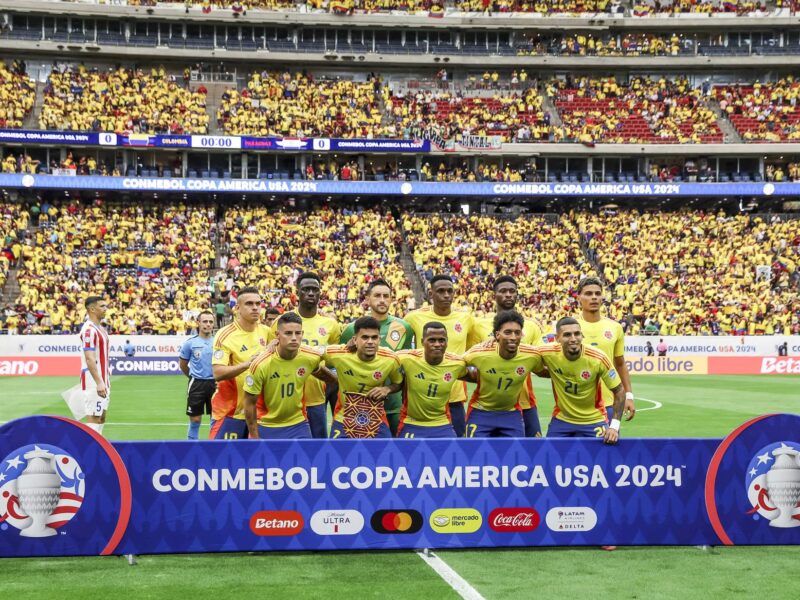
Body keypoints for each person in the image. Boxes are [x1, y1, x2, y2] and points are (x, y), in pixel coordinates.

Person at [469, 275, 545, 437]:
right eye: (503, 291)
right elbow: (469, 363)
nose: (508, 295)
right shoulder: (479, 325)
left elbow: (541, 359)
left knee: (532, 448)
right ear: (494, 295)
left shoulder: (531, 326)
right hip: (489, 405)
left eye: (512, 291)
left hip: (525, 402)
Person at [243, 313, 336, 439]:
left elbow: (318, 369)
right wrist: (254, 436)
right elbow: (249, 403)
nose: (294, 338)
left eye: (298, 333)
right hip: (266, 425)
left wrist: (339, 381)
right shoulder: (261, 364)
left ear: (302, 334)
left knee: (308, 452)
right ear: (277, 335)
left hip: (298, 424)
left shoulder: (311, 356)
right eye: (288, 333)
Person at [271, 272, 341, 438]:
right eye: (306, 289)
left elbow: (332, 360)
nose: (311, 293)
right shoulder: (281, 322)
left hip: (316, 398)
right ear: (297, 292)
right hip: (287, 398)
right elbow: (271, 356)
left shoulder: (330, 325)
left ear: (320, 293)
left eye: (315, 289)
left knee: (318, 446)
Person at [340, 279, 413, 436]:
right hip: (360, 407)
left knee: (396, 448)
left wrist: (389, 389)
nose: (382, 300)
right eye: (377, 295)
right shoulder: (351, 329)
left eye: (386, 296)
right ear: (367, 299)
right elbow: (339, 367)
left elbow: (407, 367)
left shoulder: (404, 328)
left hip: (394, 405)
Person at [404, 274, 474, 437]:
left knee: (456, 447)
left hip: (454, 396)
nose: (446, 295)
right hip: (422, 398)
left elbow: (471, 351)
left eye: (450, 291)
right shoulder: (413, 318)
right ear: (431, 294)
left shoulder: (466, 319)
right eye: (441, 291)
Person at [537, 317, 625, 444]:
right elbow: (527, 357)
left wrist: (614, 426)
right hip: (562, 419)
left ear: (582, 336)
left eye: (577, 334)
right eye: (567, 335)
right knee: (550, 454)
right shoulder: (547, 353)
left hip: (594, 419)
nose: (573, 339)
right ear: (557, 338)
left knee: (603, 455)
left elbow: (619, 390)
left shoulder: (598, 358)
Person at [209, 286, 274, 440]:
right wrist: (247, 364)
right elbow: (217, 373)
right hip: (230, 413)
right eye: (249, 304)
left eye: (258, 303)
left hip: (259, 413)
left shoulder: (267, 332)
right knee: (221, 455)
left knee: (258, 455)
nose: (255, 308)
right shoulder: (225, 334)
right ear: (237, 308)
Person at [324, 316, 403, 439]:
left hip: (376, 418)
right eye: (365, 337)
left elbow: (398, 383)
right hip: (344, 418)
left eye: (374, 337)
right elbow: (312, 356)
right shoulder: (338, 354)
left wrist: (387, 389)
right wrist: (330, 378)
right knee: (337, 451)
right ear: (355, 340)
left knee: (387, 451)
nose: (370, 341)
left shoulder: (391, 359)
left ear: (379, 340)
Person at [463, 311, 539, 438]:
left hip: (511, 413)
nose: (513, 337)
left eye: (517, 333)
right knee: (474, 449)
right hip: (480, 411)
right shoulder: (479, 352)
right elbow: (456, 364)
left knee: (515, 450)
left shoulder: (532, 355)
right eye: (507, 332)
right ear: (497, 335)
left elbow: (547, 365)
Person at [575, 277, 635, 422]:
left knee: (610, 436)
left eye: (597, 293)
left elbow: (620, 363)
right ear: (578, 298)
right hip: (575, 403)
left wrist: (629, 396)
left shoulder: (615, 327)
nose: (594, 297)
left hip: (609, 402)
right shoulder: (569, 327)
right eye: (588, 293)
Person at [396, 322, 470, 438]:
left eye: (441, 340)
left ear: (447, 342)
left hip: (442, 423)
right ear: (422, 342)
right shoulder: (406, 358)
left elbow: (477, 375)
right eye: (432, 340)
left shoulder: (457, 363)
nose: (437, 344)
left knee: (454, 449)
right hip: (411, 422)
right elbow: (383, 358)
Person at [178, 310, 216, 440]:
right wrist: (192, 376)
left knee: (215, 419)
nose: (208, 324)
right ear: (198, 323)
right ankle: (192, 447)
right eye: (205, 321)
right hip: (196, 384)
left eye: (210, 321)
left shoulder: (218, 342)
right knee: (195, 419)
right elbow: (183, 365)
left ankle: (214, 447)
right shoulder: (190, 343)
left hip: (215, 384)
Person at [79, 296, 111, 435]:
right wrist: (99, 382)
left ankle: (98, 446)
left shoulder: (100, 328)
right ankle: (91, 447)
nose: (105, 309)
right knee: (94, 419)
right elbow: (89, 358)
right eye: (102, 306)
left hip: (103, 379)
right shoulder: (89, 330)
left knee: (101, 417)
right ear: (92, 309)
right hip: (93, 381)